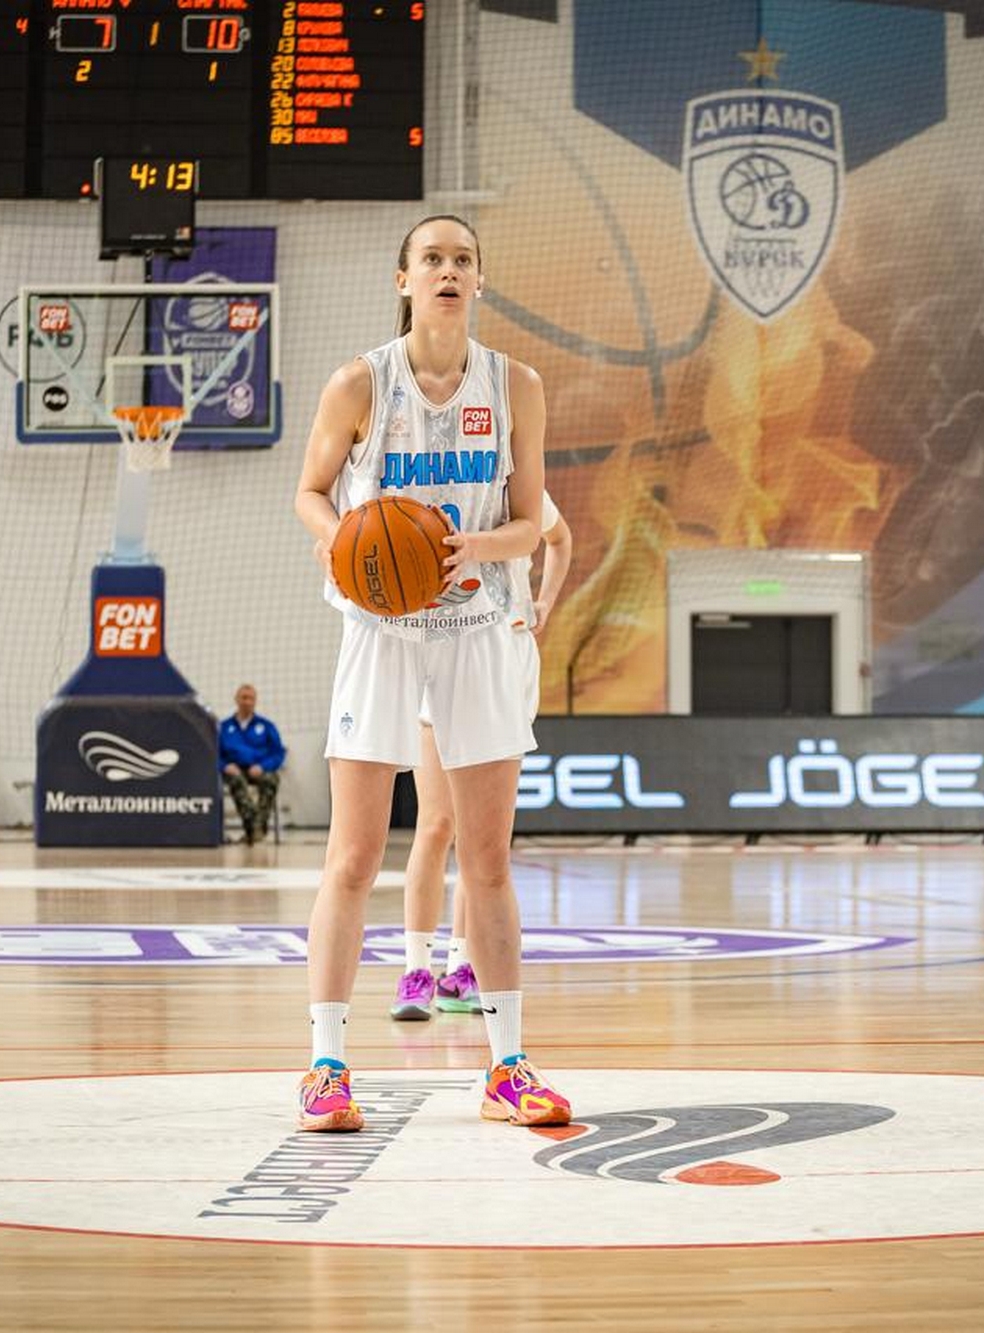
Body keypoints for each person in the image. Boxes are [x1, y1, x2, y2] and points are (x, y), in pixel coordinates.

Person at [292, 214, 571, 1133]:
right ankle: (326, 1067)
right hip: (381, 630)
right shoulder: (359, 383)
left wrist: (471, 548)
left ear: (479, 281)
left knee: (486, 858)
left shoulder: (516, 385)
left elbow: (533, 524)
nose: (448, 271)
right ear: (403, 279)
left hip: (479, 629)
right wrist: (347, 544)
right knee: (353, 855)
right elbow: (310, 492)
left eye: (463, 260)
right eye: (432, 259)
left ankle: (508, 1068)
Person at [392, 490, 573, 1020]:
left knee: (482, 839)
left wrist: (545, 601)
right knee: (436, 824)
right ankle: (415, 971)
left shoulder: (521, 490)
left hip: (507, 659)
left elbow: (560, 540)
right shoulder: (432, 487)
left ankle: (461, 967)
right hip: (443, 650)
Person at [219, 684, 285, 845]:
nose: (247, 702)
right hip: (234, 769)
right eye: (244, 698)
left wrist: (263, 766)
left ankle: (254, 829)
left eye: (251, 698)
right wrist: (224, 766)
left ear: (255, 701)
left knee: (271, 779)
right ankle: (256, 827)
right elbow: (214, 754)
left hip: (258, 768)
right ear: (236, 699)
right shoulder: (224, 727)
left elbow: (278, 753)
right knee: (236, 781)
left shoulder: (267, 726)